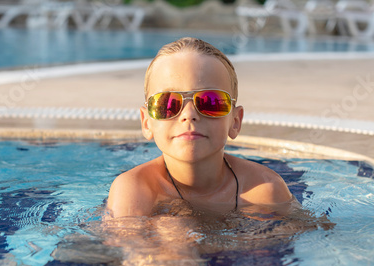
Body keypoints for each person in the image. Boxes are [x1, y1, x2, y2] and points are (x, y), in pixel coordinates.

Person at [107, 37, 293, 218]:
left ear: (235, 122)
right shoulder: (135, 190)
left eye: (210, 102)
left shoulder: (264, 189)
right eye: (168, 103)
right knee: (172, 229)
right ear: (147, 122)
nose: (189, 114)